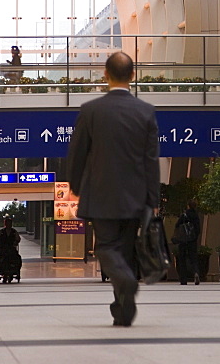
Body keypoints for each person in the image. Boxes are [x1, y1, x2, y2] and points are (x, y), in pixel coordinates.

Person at [67, 50, 160, 328]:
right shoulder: (146, 111)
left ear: (105, 75)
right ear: (133, 76)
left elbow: (77, 153)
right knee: (126, 250)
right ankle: (123, 310)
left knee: (106, 247)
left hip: (101, 193)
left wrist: (74, 187)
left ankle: (126, 284)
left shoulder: (91, 110)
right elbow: (151, 160)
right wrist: (153, 198)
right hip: (135, 196)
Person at [174, 199, 201, 285]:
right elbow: (198, 229)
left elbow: (177, 225)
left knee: (182, 259)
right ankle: (196, 272)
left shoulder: (184, 215)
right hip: (192, 240)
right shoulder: (196, 216)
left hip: (183, 240)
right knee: (193, 258)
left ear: (188, 206)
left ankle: (183, 279)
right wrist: (194, 237)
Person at [0, 215, 21, 283]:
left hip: (11, 249)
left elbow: (18, 239)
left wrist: (15, 243)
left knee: (17, 258)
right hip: (3, 249)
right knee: (1, 258)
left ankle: (13, 269)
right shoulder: (1, 232)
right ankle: (2, 269)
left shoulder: (14, 232)